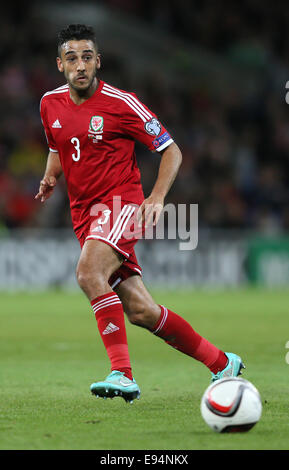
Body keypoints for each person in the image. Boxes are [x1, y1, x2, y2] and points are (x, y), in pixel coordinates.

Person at [36, 24, 244, 403]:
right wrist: (51, 174)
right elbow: (57, 143)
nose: (80, 65)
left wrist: (156, 197)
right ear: (60, 65)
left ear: (97, 61)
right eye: (71, 58)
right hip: (84, 215)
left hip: (121, 204)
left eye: (86, 57)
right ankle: (221, 363)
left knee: (88, 272)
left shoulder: (121, 103)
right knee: (140, 311)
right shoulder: (49, 103)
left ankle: (123, 373)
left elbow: (171, 150)